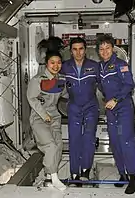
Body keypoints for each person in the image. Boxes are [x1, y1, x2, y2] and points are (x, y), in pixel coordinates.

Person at [96, 34, 135, 194]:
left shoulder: (121, 64)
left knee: (126, 141)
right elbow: (100, 85)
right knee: (115, 141)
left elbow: (129, 84)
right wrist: (107, 100)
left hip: (123, 107)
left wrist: (115, 98)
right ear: (98, 51)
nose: (105, 51)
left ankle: (133, 176)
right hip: (111, 109)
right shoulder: (100, 67)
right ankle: (123, 174)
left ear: (113, 48)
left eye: (107, 48)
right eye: (101, 49)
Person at [61, 37, 99, 184]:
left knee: (89, 138)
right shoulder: (64, 66)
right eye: (75, 49)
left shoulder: (94, 66)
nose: (78, 52)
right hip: (74, 106)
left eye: (81, 49)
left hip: (91, 106)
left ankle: (86, 170)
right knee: (74, 138)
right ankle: (74, 172)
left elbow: (105, 85)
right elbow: (51, 78)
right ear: (71, 51)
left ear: (85, 50)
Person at [27, 48, 67, 191]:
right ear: (46, 64)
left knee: (58, 145)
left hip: (54, 117)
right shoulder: (37, 80)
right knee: (50, 145)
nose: (56, 66)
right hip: (39, 118)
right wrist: (45, 115)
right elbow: (32, 99)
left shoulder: (61, 80)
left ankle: (49, 176)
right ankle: (54, 177)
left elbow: (66, 95)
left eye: (58, 63)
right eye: (52, 63)